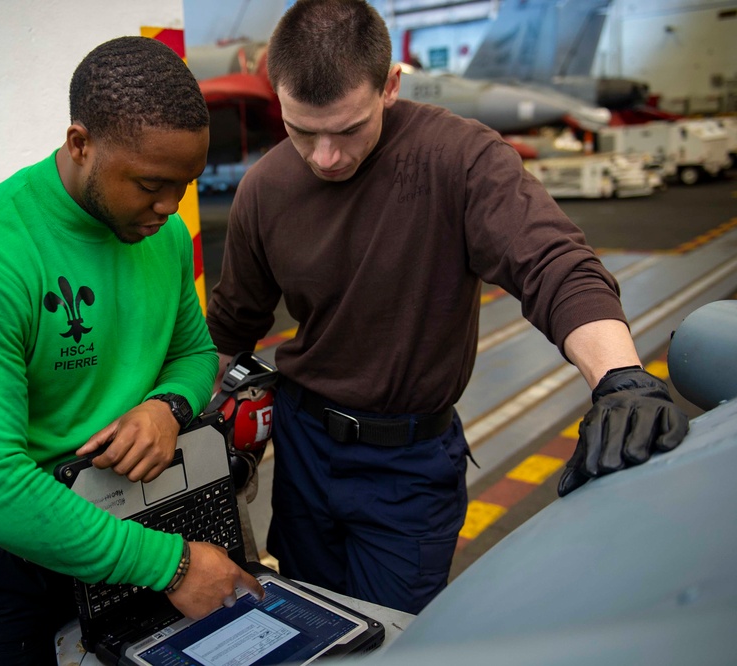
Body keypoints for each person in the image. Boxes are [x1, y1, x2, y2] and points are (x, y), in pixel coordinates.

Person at [206, 0, 688, 615]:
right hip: (303, 451)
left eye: (348, 130)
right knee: (311, 625)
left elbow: (553, 263)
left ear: (391, 86)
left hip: (408, 464)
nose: (326, 157)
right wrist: (172, 414)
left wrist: (620, 377)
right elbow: (230, 328)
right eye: (303, 131)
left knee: (397, 639)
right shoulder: (264, 188)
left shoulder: (460, 159)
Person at [0, 36, 262, 664]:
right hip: (4, 562)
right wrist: (174, 567)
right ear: (80, 144)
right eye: (151, 183)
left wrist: (166, 409)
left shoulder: (167, 236)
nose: (170, 207)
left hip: (129, 516)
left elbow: (192, 354)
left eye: (186, 184)